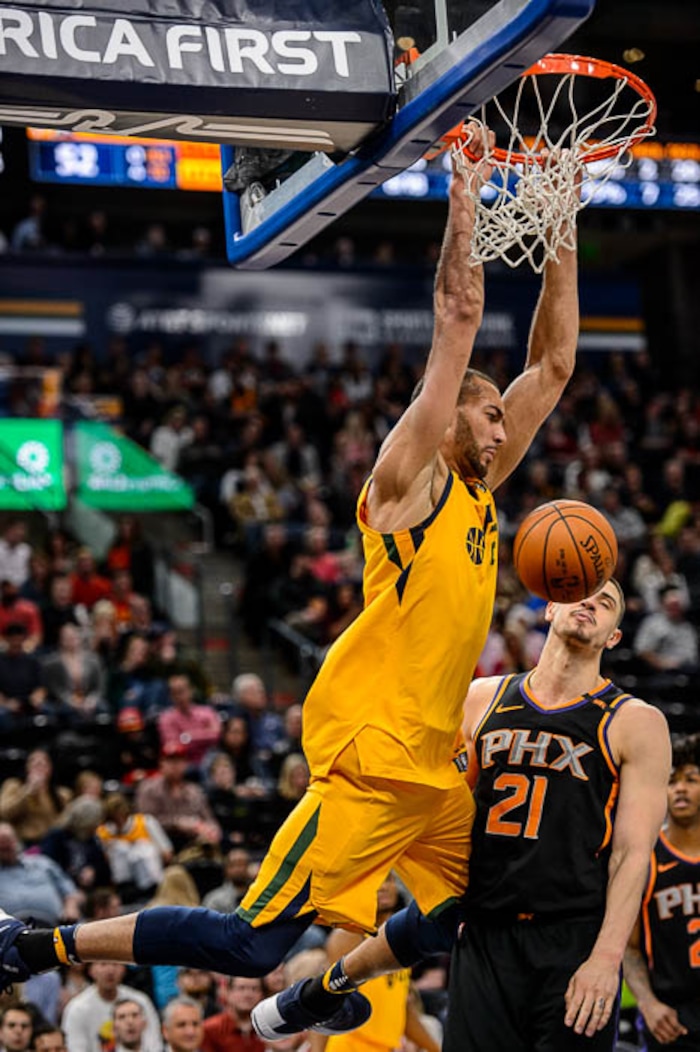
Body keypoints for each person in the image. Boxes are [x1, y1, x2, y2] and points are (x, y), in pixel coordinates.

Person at [0, 127, 579, 1030]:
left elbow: (555, 367)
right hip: (368, 760)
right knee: (246, 942)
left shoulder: (478, 490)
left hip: (433, 769)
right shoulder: (410, 482)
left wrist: (564, 211)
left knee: (497, 901)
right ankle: (36, 945)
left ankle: (317, 997)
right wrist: (464, 180)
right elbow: (457, 320)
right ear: (452, 414)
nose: (507, 434)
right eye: (491, 415)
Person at [623, 733, 700, 1050]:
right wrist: (648, 1003)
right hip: (670, 1016)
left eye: (691, 779)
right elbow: (629, 948)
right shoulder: (645, 858)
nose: (680, 788)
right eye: (671, 781)